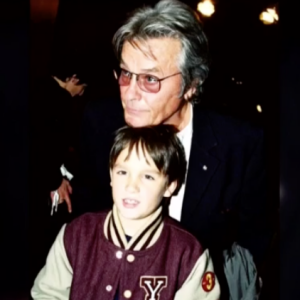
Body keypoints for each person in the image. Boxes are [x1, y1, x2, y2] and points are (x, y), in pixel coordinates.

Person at [54, 0, 270, 290]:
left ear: (191, 84)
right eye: (125, 74)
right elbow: (87, 211)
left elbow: (254, 238)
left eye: (150, 79)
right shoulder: (100, 122)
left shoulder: (240, 143)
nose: (130, 94)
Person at [31, 125, 221, 300]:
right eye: (123, 172)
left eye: (147, 176)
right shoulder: (77, 234)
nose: (131, 186)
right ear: (111, 175)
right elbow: (47, 294)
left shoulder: (188, 253)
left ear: (170, 186)